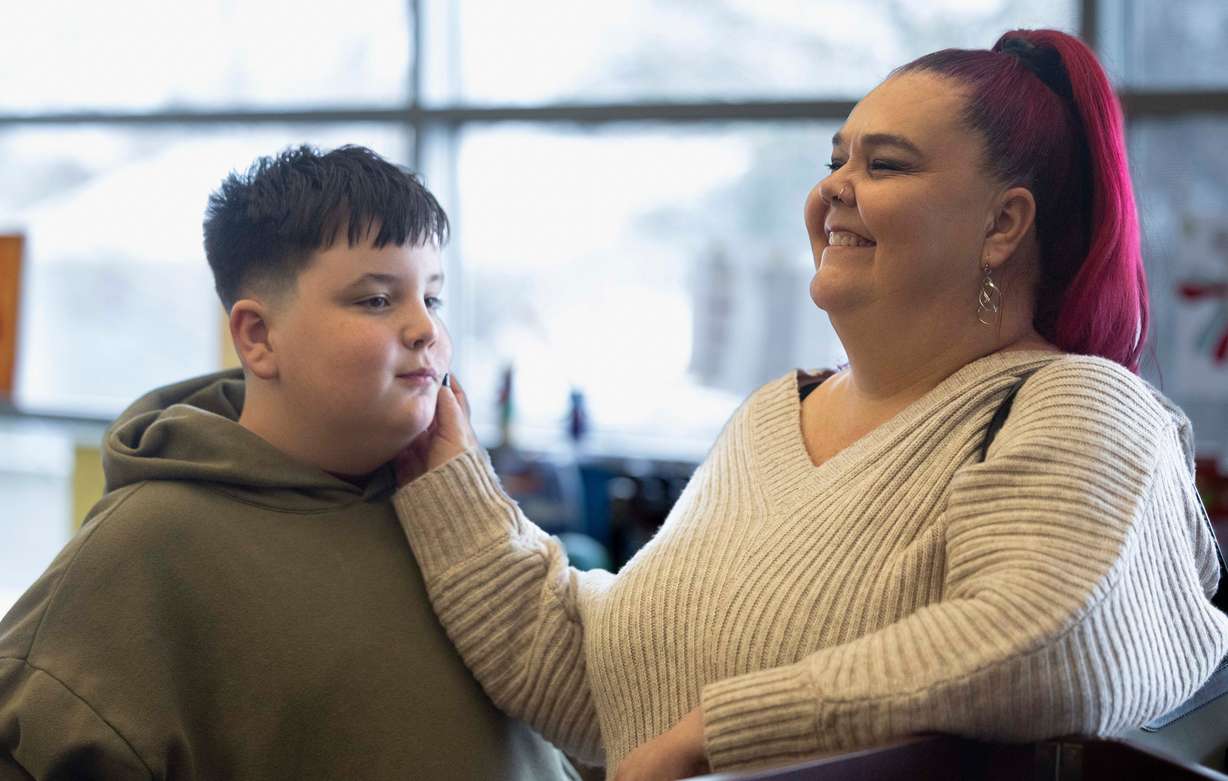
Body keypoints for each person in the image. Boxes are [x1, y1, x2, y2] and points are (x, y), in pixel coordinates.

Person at [391, 29, 1228, 780]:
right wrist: (449, 475)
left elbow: (1050, 638)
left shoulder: (1081, 407)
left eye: (885, 164)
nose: (834, 191)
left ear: (1003, 224)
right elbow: (596, 681)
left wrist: (715, 732)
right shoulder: (769, 416)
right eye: (836, 161)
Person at [0, 145, 574, 780]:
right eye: (377, 300)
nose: (425, 331)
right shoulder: (151, 543)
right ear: (257, 336)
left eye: (432, 299)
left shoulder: (452, 508)